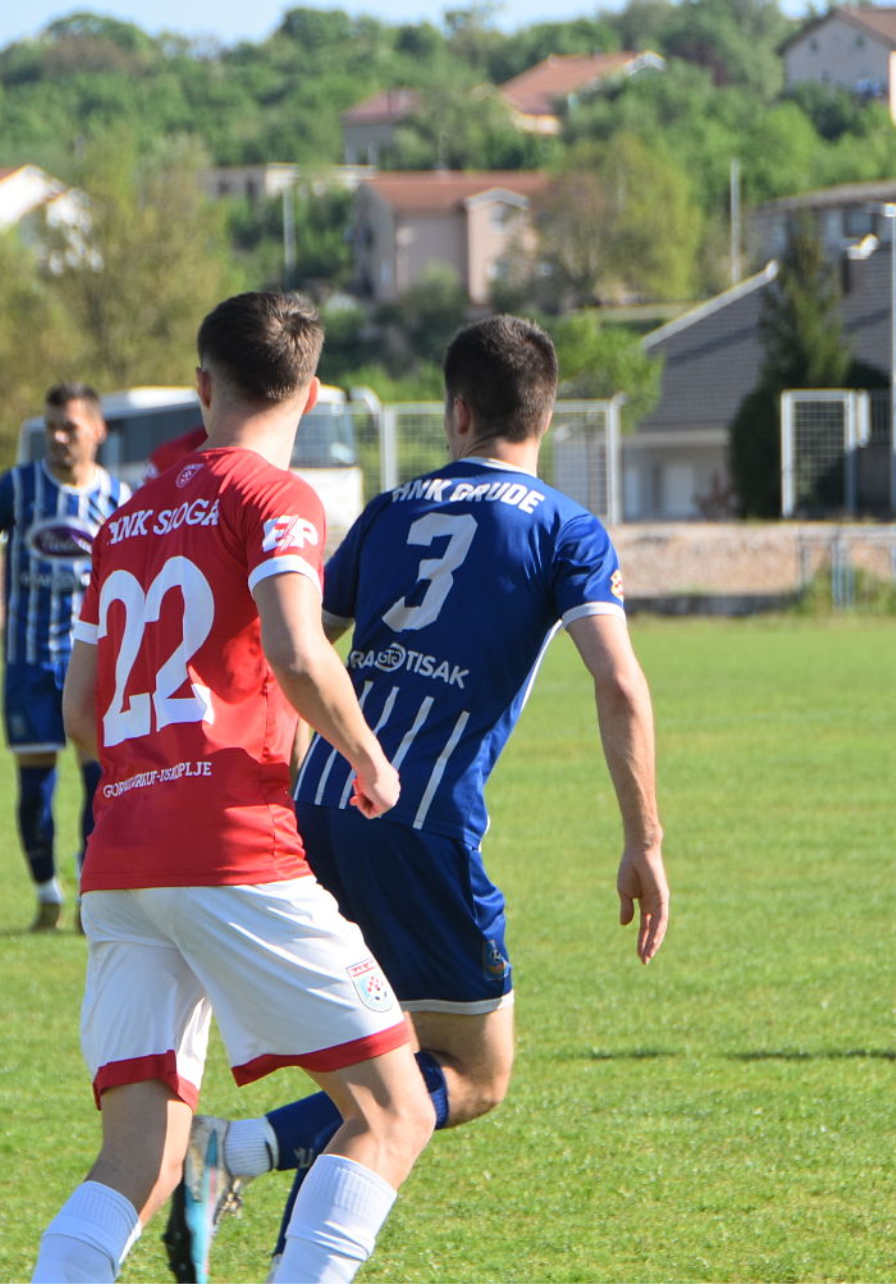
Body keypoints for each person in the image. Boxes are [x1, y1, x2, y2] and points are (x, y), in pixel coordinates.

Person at [173, 315, 669, 1278]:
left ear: (458, 411)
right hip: (419, 819)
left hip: (319, 804)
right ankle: (238, 1155)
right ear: (546, 414)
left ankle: (239, 1171)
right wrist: (643, 840)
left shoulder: (391, 510)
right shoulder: (564, 527)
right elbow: (618, 682)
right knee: (473, 1074)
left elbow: (289, 654)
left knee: (377, 1063)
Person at [30, 292, 436, 1284]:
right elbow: (298, 650)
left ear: (202, 386)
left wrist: (147, 775)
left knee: (140, 1161)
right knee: (394, 1109)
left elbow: (82, 707)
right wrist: (368, 755)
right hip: (232, 849)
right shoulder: (276, 496)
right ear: (312, 393)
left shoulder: (124, 518)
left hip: (122, 863)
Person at [0, 382, 127, 932]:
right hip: (29, 661)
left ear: (97, 431)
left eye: (70, 427)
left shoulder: (119, 497)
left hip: (94, 664)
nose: (59, 438)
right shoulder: (17, 487)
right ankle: (46, 890)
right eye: (51, 428)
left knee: (102, 781)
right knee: (35, 785)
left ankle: (90, 884)